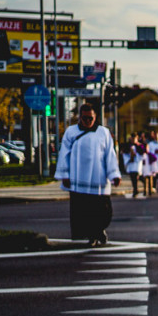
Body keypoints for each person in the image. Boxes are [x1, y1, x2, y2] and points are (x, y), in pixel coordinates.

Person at [55, 102, 121, 247]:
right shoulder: (71, 132)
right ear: (79, 118)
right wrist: (65, 175)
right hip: (79, 180)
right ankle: (93, 235)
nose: (87, 122)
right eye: (84, 119)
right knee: (84, 212)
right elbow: (64, 154)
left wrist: (114, 174)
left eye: (90, 119)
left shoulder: (103, 132)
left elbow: (110, 155)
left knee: (104, 212)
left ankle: (99, 230)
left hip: (99, 180)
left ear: (95, 117)